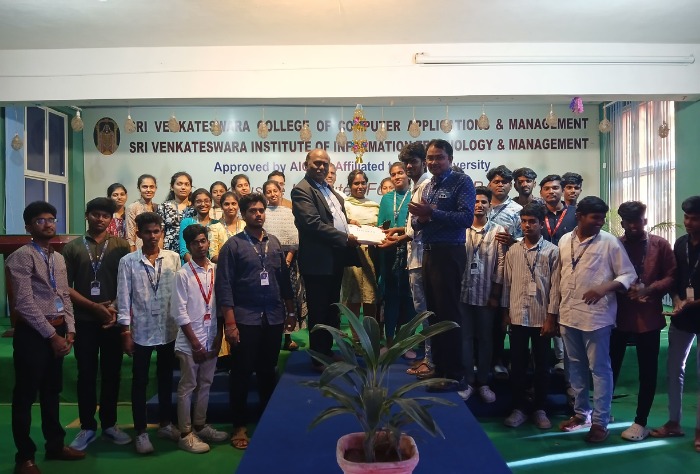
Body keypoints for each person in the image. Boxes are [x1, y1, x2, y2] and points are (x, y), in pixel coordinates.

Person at [6, 202, 86, 474]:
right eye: (40, 220)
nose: (48, 224)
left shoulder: (58, 258)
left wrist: (70, 329)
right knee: (25, 395)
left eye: (51, 219)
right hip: (33, 334)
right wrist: (51, 336)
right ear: (28, 227)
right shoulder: (20, 257)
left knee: (52, 391)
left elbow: (64, 296)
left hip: (58, 330)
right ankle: (24, 458)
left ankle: (55, 445)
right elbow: (24, 303)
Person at [216, 193, 297, 449]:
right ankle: (239, 426)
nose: (258, 214)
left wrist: (291, 312)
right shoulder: (233, 246)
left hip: (273, 316)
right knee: (241, 373)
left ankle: (268, 420)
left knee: (267, 371)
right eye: (253, 211)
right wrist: (230, 324)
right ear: (243, 214)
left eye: (261, 210)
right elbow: (224, 287)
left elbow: (284, 280)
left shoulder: (274, 242)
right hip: (245, 319)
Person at [557, 196, 636, 442]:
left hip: (597, 317)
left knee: (600, 369)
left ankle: (600, 422)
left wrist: (604, 287)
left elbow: (628, 274)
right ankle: (581, 414)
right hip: (568, 313)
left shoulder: (609, 242)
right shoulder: (564, 240)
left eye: (602, 218)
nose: (600, 222)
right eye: (595, 218)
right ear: (579, 216)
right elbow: (559, 277)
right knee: (575, 367)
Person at [62, 198, 131, 451]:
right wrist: (93, 307)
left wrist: (112, 308)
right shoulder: (72, 247)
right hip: (84, 320)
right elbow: (65, 286)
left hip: (112, 320)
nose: (100, 219)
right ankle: (87, 427)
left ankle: (110, 424)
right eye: (95, 214)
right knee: (86, 374)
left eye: (105, 215)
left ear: (111, 219)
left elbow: (127, 282)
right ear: (86, 215)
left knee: (112, 373)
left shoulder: (121, 245)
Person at [409, 139, 475, 393]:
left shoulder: (461, 182)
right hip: (428, 253)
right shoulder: (429, 186)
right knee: (433, 314)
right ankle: (439, 367)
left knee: (449, 315)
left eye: (439, 157)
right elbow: (416, 223)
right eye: (430, 158)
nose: (434, 162)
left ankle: (456, 375)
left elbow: (466, 218)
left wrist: (432, 213)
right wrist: (422, 218)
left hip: (450, 254)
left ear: (450, 159)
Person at [609, 202, 675, 441]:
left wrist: (650, 289)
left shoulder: (660, 245)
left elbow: (672, 275)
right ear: (623, 223)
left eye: (637, 220)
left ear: (645, 221)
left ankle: (640, 422)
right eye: (628, 221)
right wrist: (621, 287)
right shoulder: (614, 245)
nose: (633, 225)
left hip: (649, 318)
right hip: (618, 317)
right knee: (610, 368)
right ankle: (603, 414)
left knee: (647, 372)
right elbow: (606, 274)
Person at [116, 212, 181, 454]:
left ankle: (165, 424)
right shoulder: (128, 261)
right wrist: (125, 332)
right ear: (139, 234)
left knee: (166, 378)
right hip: (141, 329)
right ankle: (141, 432)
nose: (152, 236)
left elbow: (180, 293)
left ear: (161, 233)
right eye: (147, 232)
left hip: (168, 328)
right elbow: (123, 297)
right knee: (140, 381)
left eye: (156, 231)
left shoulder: (173, 258)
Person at [291, 149, 360, 372]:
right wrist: (344, 237)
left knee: (332, 309)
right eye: (317, 163)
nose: (321, 167)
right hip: (318, 261)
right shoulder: (302, 190)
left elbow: (335, 218)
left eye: (325, 163)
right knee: (319, 311)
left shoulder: (328, 189)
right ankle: (318, 358)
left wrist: (351, 228)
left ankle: (327, 351)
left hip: (334, 259)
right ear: (306, 165)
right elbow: (312, 223)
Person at [502, 203, 560, 429]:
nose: (527, 226)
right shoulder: (513, 251)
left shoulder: (552, 252)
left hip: (541, 317)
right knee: (517, 365)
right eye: (524, 221)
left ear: (541, 223)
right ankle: (519, 408)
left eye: (532, 221)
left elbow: (555, 288)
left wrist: (551, 317)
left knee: (542, 365)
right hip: (517, 316)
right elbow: (507, 284)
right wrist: (506, 312)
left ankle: (539, 408)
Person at [172, 224, 227, 454]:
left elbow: (222, 306)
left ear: (209, 243)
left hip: (211, 337)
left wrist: (219, 337)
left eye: (203, 241)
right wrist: (194, 343)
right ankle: (185, 434)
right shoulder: (183, 274)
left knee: (206, 384)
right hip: (190, 341)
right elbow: (179, 312)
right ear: (188, 246)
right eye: (195, 242)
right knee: (188, 386)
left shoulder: (216, 270)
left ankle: (200, 426)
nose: (201, 246)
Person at [651, 196, 700, 452]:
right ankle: (673, 422)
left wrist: (694, 302)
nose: (688, 223)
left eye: (695, 219)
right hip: (682, 317)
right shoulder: (680, 243)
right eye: (686, 217)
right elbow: (674, 278)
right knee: (674, 370)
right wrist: (679, 300)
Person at [387, 142, 433, 376]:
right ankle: (428, 357)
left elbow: (424, 226)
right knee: (421, 310)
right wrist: (399, 232)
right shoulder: (418, 186)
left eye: (413, 162)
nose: (408, 166)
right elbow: (413, 226)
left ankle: (430, 361)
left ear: (424, 162)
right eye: (406, 163)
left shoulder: (426, 185)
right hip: (416, 257)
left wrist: (398, 239)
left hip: (424, 258)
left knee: (425, 312)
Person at [458, 186, 505, 402]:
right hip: (462, 293)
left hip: (487, 294)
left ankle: (484, 382)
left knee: (486, 338)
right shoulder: (461, 228)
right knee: (465, 338)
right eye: (475, 201)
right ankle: (468, 381)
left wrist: (496, 293)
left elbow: (501, 264)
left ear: (490, 206)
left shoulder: (498, 231)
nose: (479, 205)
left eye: (484, 202)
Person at [539, 174, 578, 376]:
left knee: (564, 316)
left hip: (568, 272)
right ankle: (545, 360)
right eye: (547, 188)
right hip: (541, 272)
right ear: (541, 193)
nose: (551, 191)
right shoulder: (537, 213)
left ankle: (564, 360)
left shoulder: (575, 213)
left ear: (562, 190)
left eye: (555, 188)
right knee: (544, 315)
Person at [486, 165, 522, 379]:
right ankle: (479, 358)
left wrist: (512, 240)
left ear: (511, 186)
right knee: (480, 316)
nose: (500, 185)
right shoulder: (480, 204)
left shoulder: (517, 210)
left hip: (506, 269)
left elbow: (526, 239)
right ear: (489, 184)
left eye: (505, 182)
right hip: (480, 270)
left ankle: (498, 360)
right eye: (496, 181)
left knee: (500, 316)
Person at [377, 163, 416, 355]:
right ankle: (389, 341)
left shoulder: (415, 195)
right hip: (390, 253)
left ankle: (407, 343)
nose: (397, 177)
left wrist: (399, 234)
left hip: (411, 252)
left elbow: (416, 227)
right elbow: (381, 225)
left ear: (407, 174)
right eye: (393, 174)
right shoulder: (386, 199)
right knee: (391, 298)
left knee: (410, 300)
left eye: (400, 173)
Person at [263, 179, 305, 351]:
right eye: (269, 192)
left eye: (275, 191)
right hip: (267, 263)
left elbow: (294, 239)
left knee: (289, 299)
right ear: (264, 194)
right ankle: (270, 337)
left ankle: (288, 337)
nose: (272, 194)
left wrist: (287, 260)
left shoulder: (289, 212)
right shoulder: (263, 213)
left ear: (281, 192)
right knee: (272, 299)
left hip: (289, 263)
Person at [341, 170, 381, 333]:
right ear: (350, 186)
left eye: (363, 183)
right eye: (356, 183)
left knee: (372, 296)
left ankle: (370, 337)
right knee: (353, 297)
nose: (360, 186)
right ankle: (357, 338)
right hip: (352, 254)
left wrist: (376, 229)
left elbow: (381, 228)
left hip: (372, 255)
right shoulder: (344, 205)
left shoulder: (375, 205)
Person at [157, 171, 195, 255]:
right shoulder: (163, 207)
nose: (183, 187)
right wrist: (160, 254)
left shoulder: (195, 208)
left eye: (187, 184)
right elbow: (160, 234)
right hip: (169, 251)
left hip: (191, 250)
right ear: (172, 187)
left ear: (190, 188)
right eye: (179, 184)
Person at [178, 188, 219, 264]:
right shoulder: (187, 222)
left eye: (206, 201)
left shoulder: (217, 224)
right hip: (190, 266)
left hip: (212, 266)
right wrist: (197, 266)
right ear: (193, 204)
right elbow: (184, 250)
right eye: (198, 201)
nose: (203, 204)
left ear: (211, 203)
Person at [209, 191, 246, 264]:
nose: (231, 207)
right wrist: (233, 261)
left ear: (238, 205)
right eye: (226, 204)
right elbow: (213, 256)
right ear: (221, 206)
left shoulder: (246, 225)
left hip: (246, 267)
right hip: (224, 267)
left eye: (234, 204)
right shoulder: (214, 228)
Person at [126, 174, 158, 252]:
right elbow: (130, 236)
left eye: (151, 187)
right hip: (139, 250)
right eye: (145, 187)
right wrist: (133, 256)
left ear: (155, 188)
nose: (148, 190)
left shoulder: (158, 207)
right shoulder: (133, 207)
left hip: (156, 250)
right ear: (139, 188)